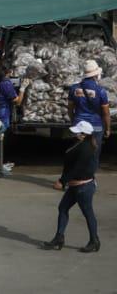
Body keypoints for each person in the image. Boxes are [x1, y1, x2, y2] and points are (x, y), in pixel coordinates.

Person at [41, 122, 101, 253]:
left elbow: (76, 168)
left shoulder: (85, 148)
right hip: (75, 186)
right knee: (63, 208)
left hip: (83, 187)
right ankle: (59, 237)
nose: (74, 133)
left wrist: (62, 181)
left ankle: (94, 241)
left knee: (88, 213)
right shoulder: (80, 144)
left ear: (84, 135)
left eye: (77, 132)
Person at [68, 59, 110, 160]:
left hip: (79, 126)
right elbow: (106, 113)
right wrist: (108, 129)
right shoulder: (101, 91)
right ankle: (90, 175)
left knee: (78, 155)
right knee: (93, 155)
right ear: (96, 75)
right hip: (96, 126)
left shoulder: (74, 88)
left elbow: (70, 109)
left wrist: (74, 122)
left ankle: (77, 174)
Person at [0, 67, 23, 175]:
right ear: (8, 73)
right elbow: (17, 102)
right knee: (1, 141)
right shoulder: (6, 84)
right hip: (2, 116)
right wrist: (23, 89)